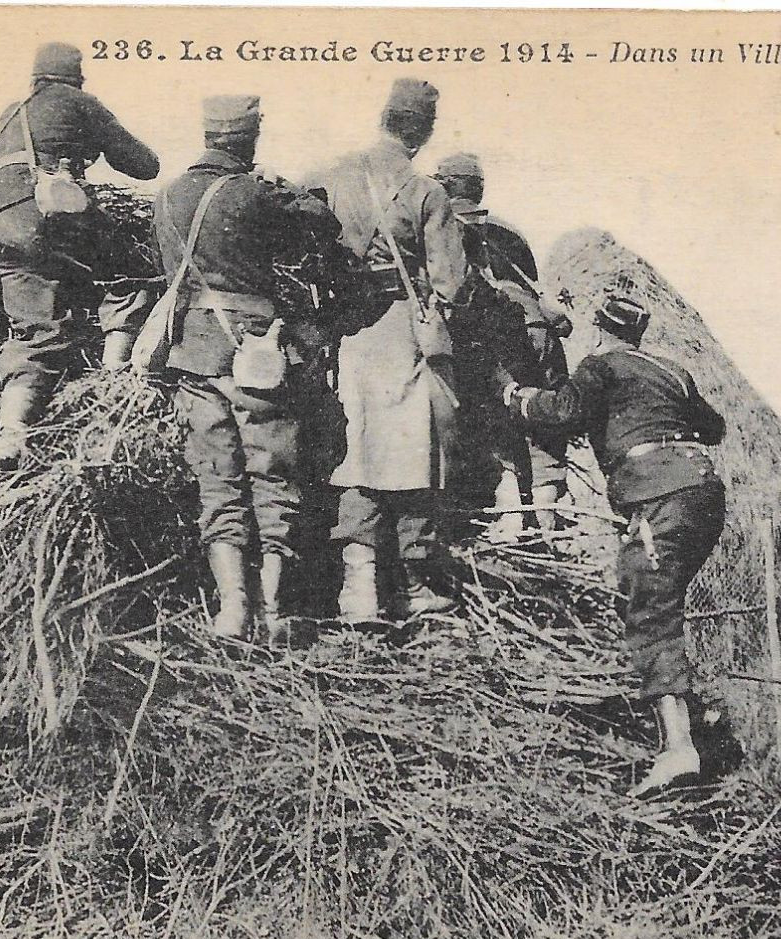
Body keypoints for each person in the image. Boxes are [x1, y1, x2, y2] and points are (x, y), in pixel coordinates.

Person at [502, 295, 741, 796]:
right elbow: (714, 428)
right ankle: (697, 711)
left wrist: (513, 395)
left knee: (650, 612)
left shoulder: (600, 365)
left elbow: (561, 412)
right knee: (654, 598)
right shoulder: (671, 370)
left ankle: (679, 749)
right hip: (702, 491)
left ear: (599, 331)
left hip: (657, 494)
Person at [152, 95, 342, 643]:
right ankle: (275, 610)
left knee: (218, 483)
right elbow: (318, 229)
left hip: (192, 356)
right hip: (255, 357)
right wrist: (290, 191)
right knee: (273, 477)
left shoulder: (168, 196)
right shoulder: (256, 195)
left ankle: (232, 609)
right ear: (249, 137)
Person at [303, 79, 469, 623]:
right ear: (422, 130)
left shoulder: (331, 176)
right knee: (414, 454)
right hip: (403, 329)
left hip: (348, 331)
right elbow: (451, 285)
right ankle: (417, 585)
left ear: (383, 117)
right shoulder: (428, 193)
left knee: (358, 454)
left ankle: (357, 590)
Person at [0, 42, 160, 470]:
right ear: (75, 77)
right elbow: (144, 165)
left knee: (35, 329)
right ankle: (115, 376)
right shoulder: (78, 102)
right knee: (131, 270)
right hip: (46, 212)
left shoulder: (9, 113)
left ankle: (13, 431)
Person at [435, 153, 573, 538]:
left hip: (494, 331)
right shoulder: (510, 232)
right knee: (542, 420)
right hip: (539, 331)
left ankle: (509, 516)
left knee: (491, 417)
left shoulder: (443, 227)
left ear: (445, 186)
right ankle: (546, 517)